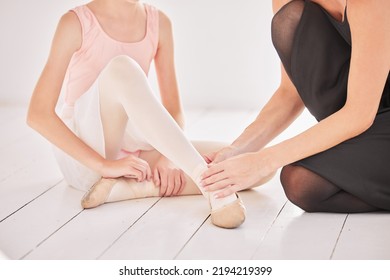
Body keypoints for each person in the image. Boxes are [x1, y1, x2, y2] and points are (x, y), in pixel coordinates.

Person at [27, 0, 245, 229]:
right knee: (122, 67)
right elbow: (38, 114)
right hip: (86, 157)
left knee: (244, 162)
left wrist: (167, 159)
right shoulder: (75, 22)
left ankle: (131, 188)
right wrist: (103, 165)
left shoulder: (159, 23)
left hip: (133, 151)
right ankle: (210, 186)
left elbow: (174, 111)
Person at [201, 0, 390, 213]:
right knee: (291, 16)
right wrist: (237, 150)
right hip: (362, 120)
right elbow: (289, 94)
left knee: (300, 182)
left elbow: (359, 114)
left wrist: (262, 162)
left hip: (366, 116)